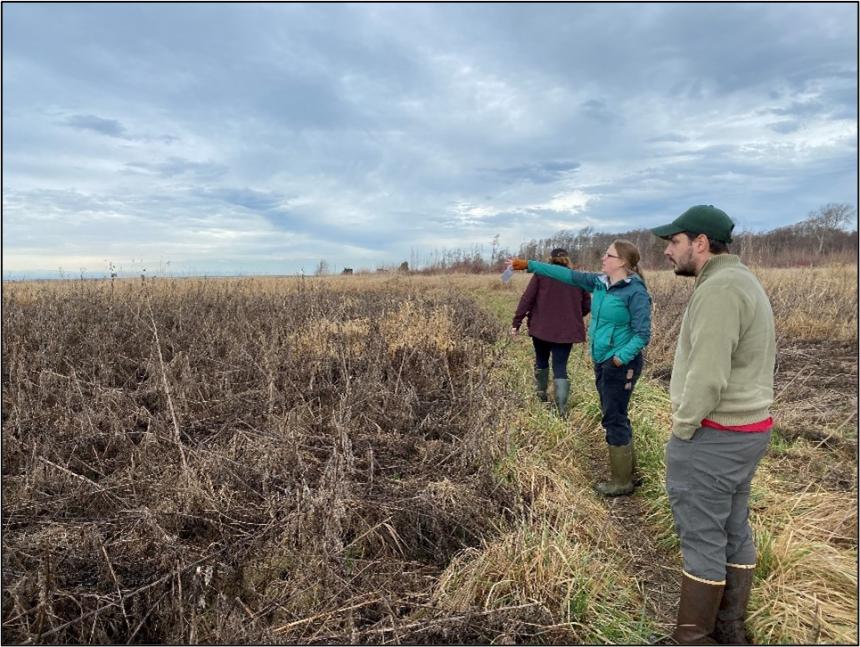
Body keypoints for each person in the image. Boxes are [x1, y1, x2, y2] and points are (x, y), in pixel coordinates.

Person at [651, 205, 775, 645]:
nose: (668, 251)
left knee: (702, 536)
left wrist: (684, 427)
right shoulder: (740, 280)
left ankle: (692, 637)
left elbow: (708, 374)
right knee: (733, 528)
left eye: (674, 241)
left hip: (715, 434)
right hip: (747, 432)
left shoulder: (720, 289)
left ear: (700, 243)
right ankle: (729, 628)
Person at [509, 239, 652, 496]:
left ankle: (621, 482)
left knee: (613, 417)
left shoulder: (635, 292)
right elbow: (566, 273)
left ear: (621, 262)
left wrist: (619, 358)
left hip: (620, 364)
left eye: (608, 255)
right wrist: (529, 265)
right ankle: (627, 474)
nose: (603, 259)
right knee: (615, 414)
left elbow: (642, 334)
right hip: (604, 361)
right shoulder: (600, 283)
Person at [511, 248, 591, 416]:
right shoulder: (576, 277)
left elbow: (527, 299)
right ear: (568, 260)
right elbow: (586, 306)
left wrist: (516, 322)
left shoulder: (541, 274)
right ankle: (561, 409)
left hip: (541, 329)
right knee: (560, 366)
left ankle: (541, 398)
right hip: (566, 332)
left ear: (550, 260)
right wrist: (571, 317)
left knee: (541, 361)